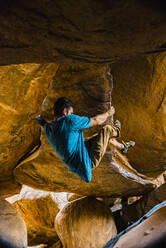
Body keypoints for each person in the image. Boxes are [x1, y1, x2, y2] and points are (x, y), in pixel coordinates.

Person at [36, 97, 135, 182]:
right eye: (71, 112)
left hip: (78, 158)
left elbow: (43, 123)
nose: (72, 114)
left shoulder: (49, 129)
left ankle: (123, 147)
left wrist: (38, 117)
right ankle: (117, 131)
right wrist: (109, 113)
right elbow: (96, 120)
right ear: (65, 112)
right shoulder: (70, 120)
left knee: (102, 138)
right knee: (107, 130)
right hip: (87, 161)